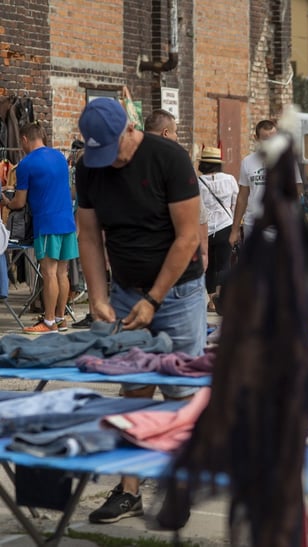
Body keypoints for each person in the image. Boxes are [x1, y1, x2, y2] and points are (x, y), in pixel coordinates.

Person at [75, 98, 206, 522]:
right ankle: (129, 489)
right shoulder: (90, 167)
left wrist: (154, 299)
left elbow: (187, 237)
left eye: (113, 151)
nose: (108, 162)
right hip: (126, 289)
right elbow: (90, 236)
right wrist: (98, 296)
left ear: (131, 129)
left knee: (179, 391)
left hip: (179, 291)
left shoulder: (168, 157)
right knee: (132, 387)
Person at [2, 122, 78, 333]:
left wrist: (5, 201)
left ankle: (49, 322)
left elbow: (19, 202)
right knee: (62, 273)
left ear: (25, 139)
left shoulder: (26, 163)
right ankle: (61, 319)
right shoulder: (60, 158)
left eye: (21, 142)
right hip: (67, 221)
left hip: (47, 223)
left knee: (49, 272)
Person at [144, 109, 209, 273]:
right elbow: (197, 211)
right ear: (165, 133)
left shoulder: (131, 158)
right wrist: (204, 251)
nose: (177, 137)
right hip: (177, 252)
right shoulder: (178, 159)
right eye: (176, 133)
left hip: (140, 258)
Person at [196, 146, 238, 312]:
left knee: (209, 265)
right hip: (225, 226)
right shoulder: (229, 180)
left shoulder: (198, 182)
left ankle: (212, 301)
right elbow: (235, 204)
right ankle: (222, 298)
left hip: (204, 230)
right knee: (224, 264)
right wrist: (236, 227)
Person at [229, 120, 278, 248]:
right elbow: (242, 198)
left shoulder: (286, 161)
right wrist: (235, 230)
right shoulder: (248, 162)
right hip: (253, 225)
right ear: (256, 139)